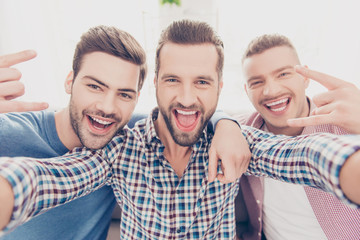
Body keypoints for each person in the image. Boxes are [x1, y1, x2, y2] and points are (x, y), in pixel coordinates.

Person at [1, 20, 360, 239]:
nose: (187, 99)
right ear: (154, 84)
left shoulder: (236, 138)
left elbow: (307, 156)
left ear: (220, 87)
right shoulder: (120, 148)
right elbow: (45, 179)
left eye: (202, 82)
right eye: (173, 80)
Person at [235, 34, 360, 240]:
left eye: (283, 74)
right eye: (257, 82)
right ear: (247, 90)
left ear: (305, 77)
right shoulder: (241, 131)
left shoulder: (345, 123)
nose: (271, 90)